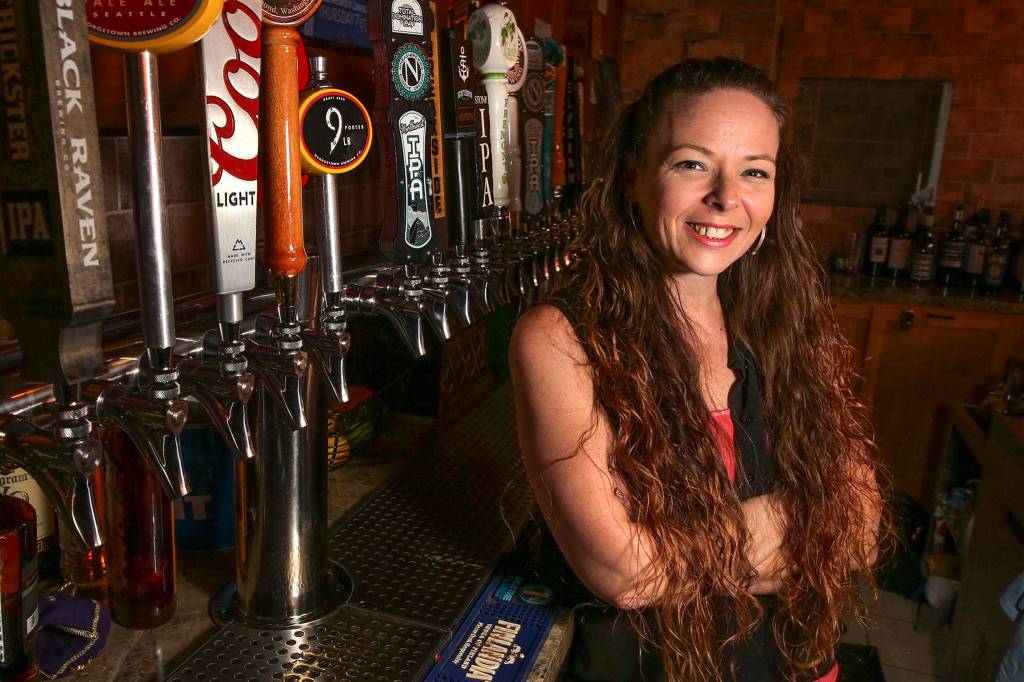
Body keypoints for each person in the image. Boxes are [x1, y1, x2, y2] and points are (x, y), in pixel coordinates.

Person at [509, 58, 887, 681]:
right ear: (633, 175)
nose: (726, 198)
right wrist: (810, 518)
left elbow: (862, 529)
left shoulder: (782, 324)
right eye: (692, 164)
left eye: (755, 171)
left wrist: (682, 547)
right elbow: (628, 573)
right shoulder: (561, 337)